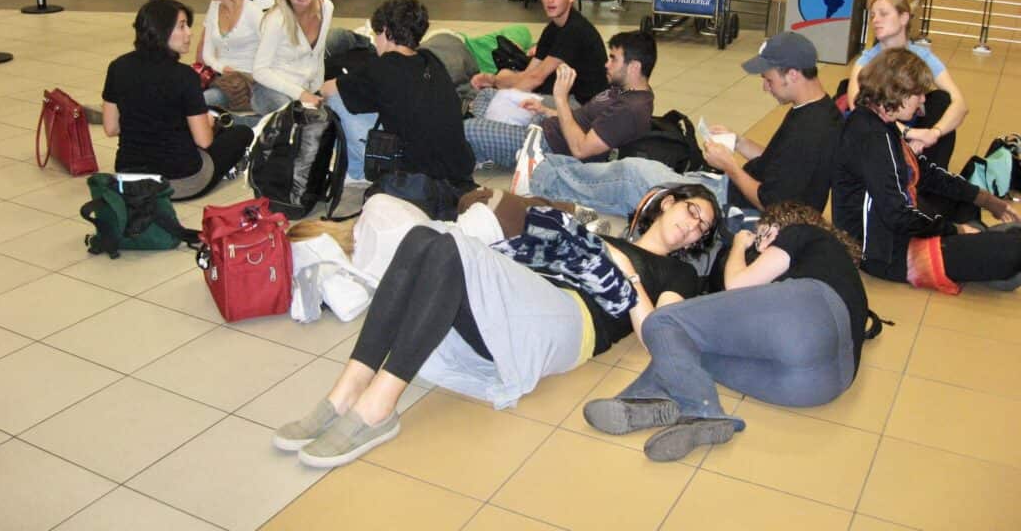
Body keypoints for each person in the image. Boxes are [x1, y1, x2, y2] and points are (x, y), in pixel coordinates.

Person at [272, 183, 720, 469]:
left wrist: (626, 272)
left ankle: (378, 409)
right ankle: (346, 391)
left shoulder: (678, 274)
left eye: (702, 229)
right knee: (423, 239)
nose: (692, 228)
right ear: (668, 202)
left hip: (571, 320)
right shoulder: (606, 233)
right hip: (527, 291)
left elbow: (655, 334)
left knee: (448, 248)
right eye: (692, 211)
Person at [582, 201, 868, 462]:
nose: (759, 244)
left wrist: (740, 247)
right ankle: (663, 403)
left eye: (762, 234)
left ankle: (694, 407)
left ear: (777, 227)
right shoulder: (835, 268)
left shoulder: (800, 232)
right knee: (686, 353)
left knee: (664, 321)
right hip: (826, 384)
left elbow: (738, 284)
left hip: (810, 314)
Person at [527, 32, 842, 218]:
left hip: (739, 206)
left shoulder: (811, 131)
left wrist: (730, 167)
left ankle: (541, 175)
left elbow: (771, 202)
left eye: (769, 79)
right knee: (638, 176)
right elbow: (780, 162)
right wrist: (741, 142)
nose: (765, 87)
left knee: (632, 176)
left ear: (793, 75)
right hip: (729, 190)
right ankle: (550, 169)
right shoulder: (812, 109)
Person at [833, 48, 1021, 293]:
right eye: (919, 94)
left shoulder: (880, 123)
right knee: (1013, 247)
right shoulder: (872, 137)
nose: (923, 101)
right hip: (884, 253)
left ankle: (982, 249)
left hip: (893, 230)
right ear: (897, 92)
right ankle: (983, 247)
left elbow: (926, 173)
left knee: (965, 201)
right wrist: (955, 230)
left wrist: (988, 200)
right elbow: (898, 215)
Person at [101, 0, 254, 201]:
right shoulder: (185, 76)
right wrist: (205, 123)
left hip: (130, 179)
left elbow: (111, 128)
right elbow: (204, 141)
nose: (189, 32)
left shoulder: (117, 67)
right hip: (182, 181)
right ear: (160, 30)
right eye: (182, 26)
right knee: (241, 133)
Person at [321, 0, 475, 187]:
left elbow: (327, 90)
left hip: (418, 175)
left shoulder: (382, 68)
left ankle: (358, 170)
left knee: (336, 99)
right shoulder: (431, 60)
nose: (375, 42)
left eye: (376, 34)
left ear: (386, 32)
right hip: (459, 167)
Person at [464, 30, 655, 178]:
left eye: (613, 59)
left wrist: (561, 98)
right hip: (548, 126)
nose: (606, 64)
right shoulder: (623, 89)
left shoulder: (629, 110)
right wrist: (545, 110)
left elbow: (580, 150)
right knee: (488, 94)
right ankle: (488, 141)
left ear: (634, 67)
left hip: (544, 146)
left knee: (468, 128)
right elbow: (580, 120)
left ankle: (483, 142)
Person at [846, 0, 967, 171]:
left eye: (883, 14)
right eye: (873, 16)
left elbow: (960, 103)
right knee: (863, 108)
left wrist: (934, 133)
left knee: (942, 100)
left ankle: (932, 175)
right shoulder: (867, 60)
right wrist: (908, 133)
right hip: (883, 128)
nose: (876, 20)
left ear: (903, 18)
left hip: (914, 125)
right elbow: (858, 107)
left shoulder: (922, 55)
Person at [471, 0, 607, 103]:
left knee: (517, 101)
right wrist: (493, 79)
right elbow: (529, 73)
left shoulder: (574, 30)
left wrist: (501, 101)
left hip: (583, 103)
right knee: (505, 76)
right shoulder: (553, 28)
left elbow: (537, 78)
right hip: (564, 88)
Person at [251, 0, 334, 114]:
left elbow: (318, 55)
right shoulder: (277, 20)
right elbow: (260, 71)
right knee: (294, 119)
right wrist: (301, 94)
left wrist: (317, 91)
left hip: (306, 88)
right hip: (272, 89)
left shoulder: (327, 7)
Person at [200, 0, 262, 110]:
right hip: (220, 77)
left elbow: (271, 50)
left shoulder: (252, 12)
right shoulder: (214, 7)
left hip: (247, 81)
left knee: (201, 101)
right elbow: (207, 53)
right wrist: (220, 67)